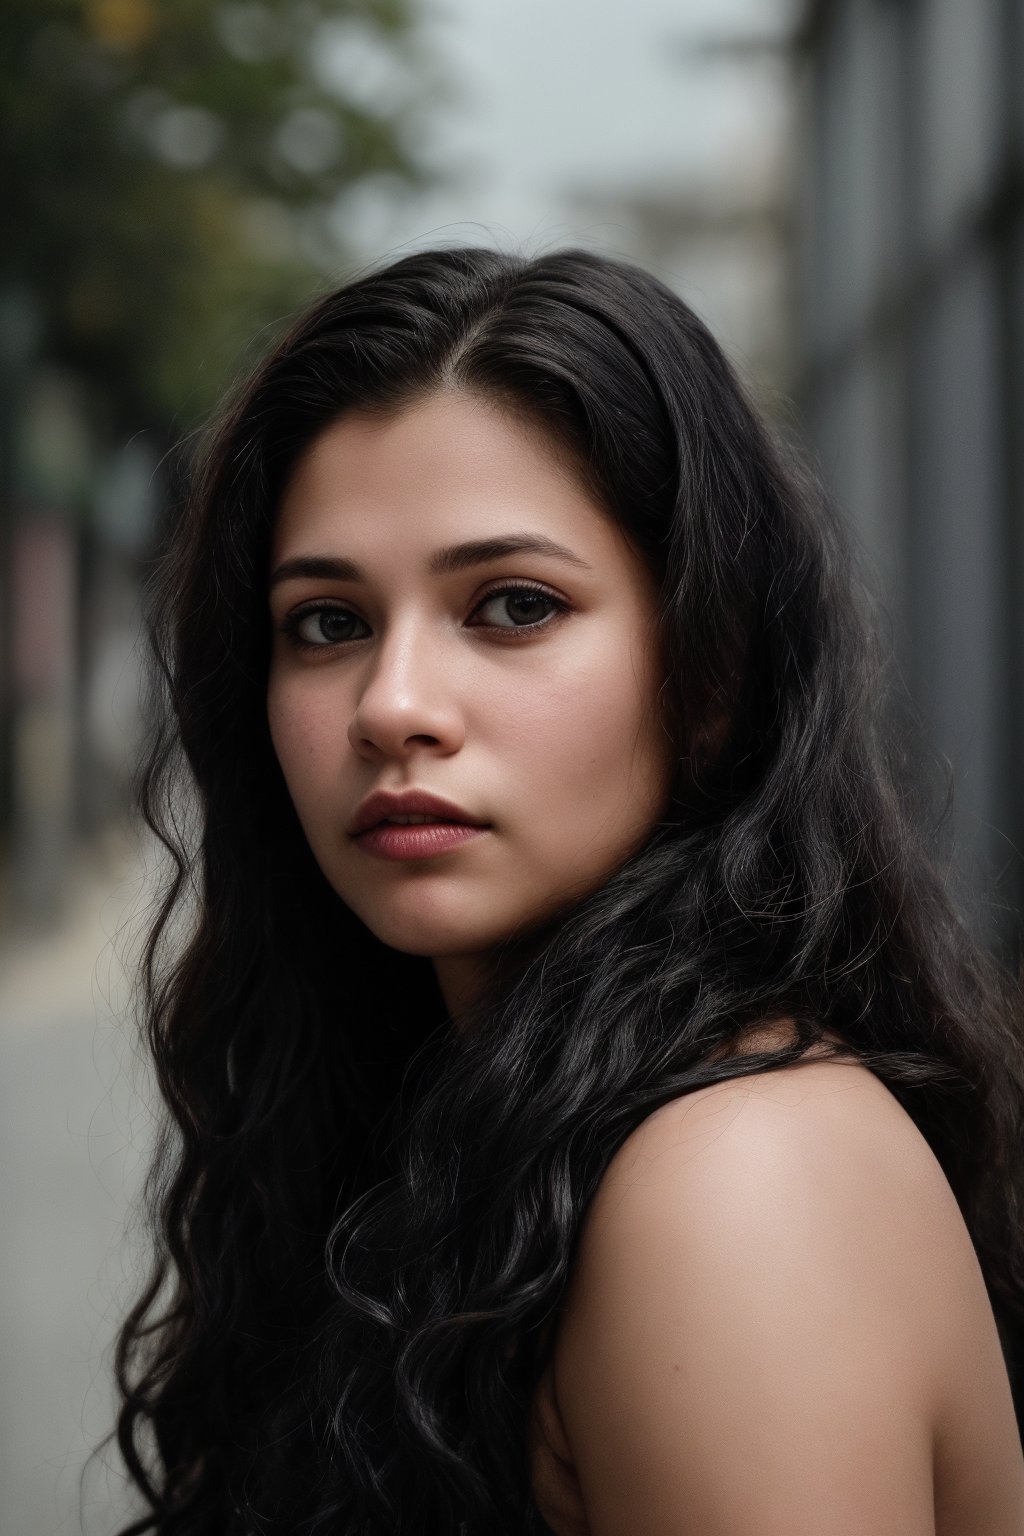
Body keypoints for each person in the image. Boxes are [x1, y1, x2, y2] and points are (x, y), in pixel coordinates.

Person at [113, 244, 1024, 1535]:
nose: (394, 707)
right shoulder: (445, 1112)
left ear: (707, 679)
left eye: (514, 606)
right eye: (328, 622)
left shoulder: (737, 1177)